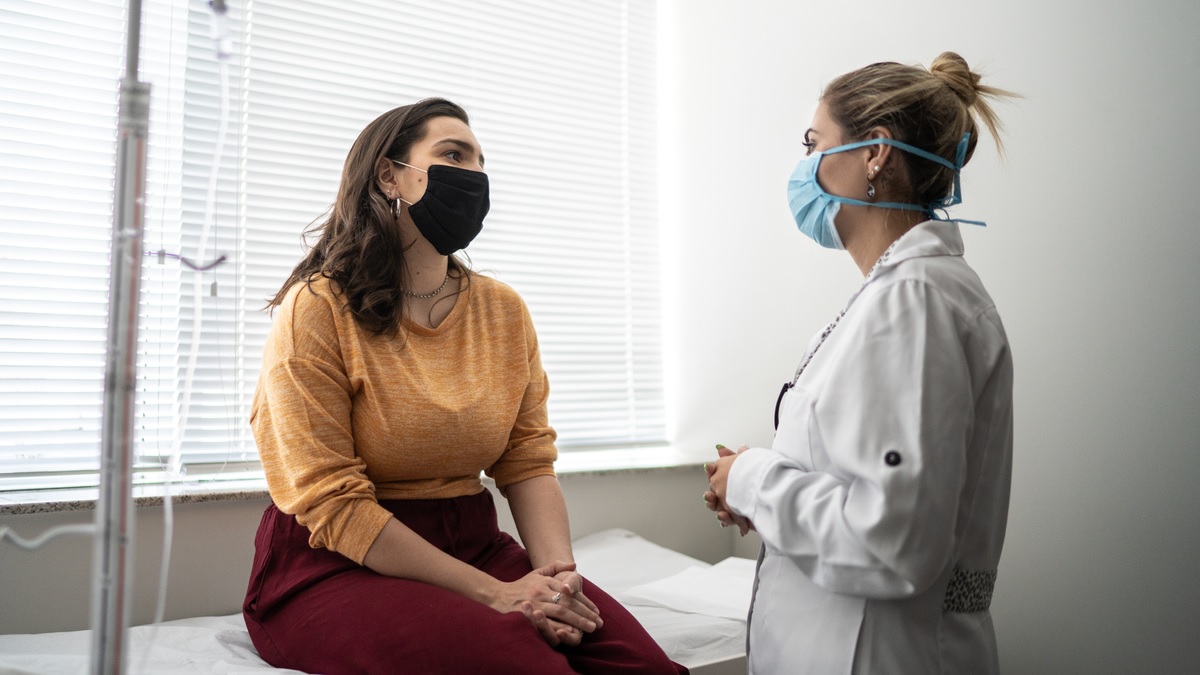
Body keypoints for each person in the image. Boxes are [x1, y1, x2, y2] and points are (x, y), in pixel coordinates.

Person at [243, 98, 686, 675]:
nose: (473, 175)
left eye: (480, 162)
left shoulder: (502, 310)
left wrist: (558, 580)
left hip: (474, 545)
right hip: (337, 563)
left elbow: (526, 459)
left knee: (643, 667)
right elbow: (332, 502)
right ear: (390, 175)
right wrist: (497, 594)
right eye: (453, 154)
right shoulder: (317, 309)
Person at [704, 52, 1017, 674]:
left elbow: (892, 542)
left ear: (876, 151)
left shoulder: (915, 302)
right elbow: (868, 484)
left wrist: (751, 479)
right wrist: (760, 492)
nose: (803, 166)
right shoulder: (900, 295)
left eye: (813, 143)